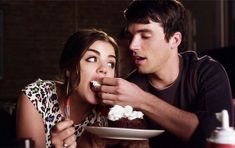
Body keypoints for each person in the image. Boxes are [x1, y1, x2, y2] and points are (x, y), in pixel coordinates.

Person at [98, 0, 234, 148]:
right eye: (131, 36)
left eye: (145, 36)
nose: (132, 45)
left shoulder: (206, 72)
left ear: (174, 40)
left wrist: (142, 100)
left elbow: (214, 136)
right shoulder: (129, 86)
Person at [16, 28, 119, 148]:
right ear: (69, 69)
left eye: (111, 63)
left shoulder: (113, 112)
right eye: (92, 59)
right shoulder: (37, 96)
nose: (104, 69)